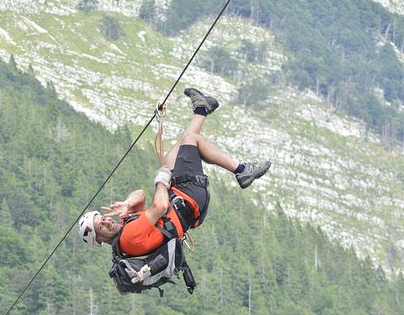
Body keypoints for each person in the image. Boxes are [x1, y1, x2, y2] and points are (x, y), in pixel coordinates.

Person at [78, 87, 270, 281]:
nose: (106, 221)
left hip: (185, 204)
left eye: (101, 218)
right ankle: (242, 170)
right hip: (189, 198)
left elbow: (140, 195)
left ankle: (202, 109)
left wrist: (127, 204)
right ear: (99, 240)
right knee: (191, 140)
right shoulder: (128, 236)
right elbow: (160, 206)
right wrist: (161, 180)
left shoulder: (125, 229)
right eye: (101, 227)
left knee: (171, 156)